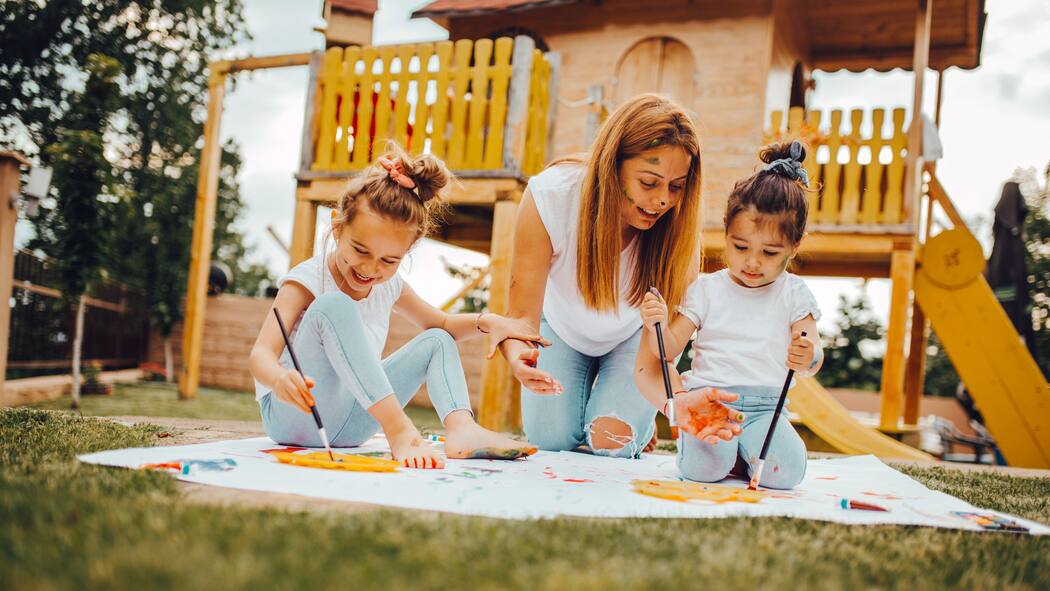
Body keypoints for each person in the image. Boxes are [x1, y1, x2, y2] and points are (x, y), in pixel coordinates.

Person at [250, 143, 542, 469]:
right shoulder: (306, 279)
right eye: (360, 250)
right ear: (337, 227)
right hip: (295, 416)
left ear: (409, 250)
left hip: (353, 425)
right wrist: (279, 378)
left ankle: (463, 429)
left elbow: (443, 324)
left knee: (438, 340)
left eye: (389, 260)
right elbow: (260, 354)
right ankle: (400, 430)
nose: (370, 269)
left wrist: (489, 322)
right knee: (334, 305)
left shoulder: (388, 285)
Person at [499, 93, 739, 458]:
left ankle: (634, 422)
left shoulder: (679, 227)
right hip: (559, 331)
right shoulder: (551, 195)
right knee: (551, 443)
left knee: (610, 442)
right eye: (649, 182)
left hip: (635, 341)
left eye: (676, 186)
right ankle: (620, 413)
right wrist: (519, 357)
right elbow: (520, 319)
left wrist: (673, 398)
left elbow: (665, 345)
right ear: (612, 165)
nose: (663, 200)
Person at [635, 140, 823, 489]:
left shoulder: (795, 293)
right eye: (740, 246)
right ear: (726, 232)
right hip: (711, 401)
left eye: (770, 252)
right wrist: (655, 325)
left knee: (786, 474)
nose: (752, 262)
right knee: (703, 471)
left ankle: (740, 454)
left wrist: (808, 355)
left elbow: (812, 354)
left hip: (767, 409)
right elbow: (668, 349)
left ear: (795, 246)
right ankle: (725, 455)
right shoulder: (707, 289)